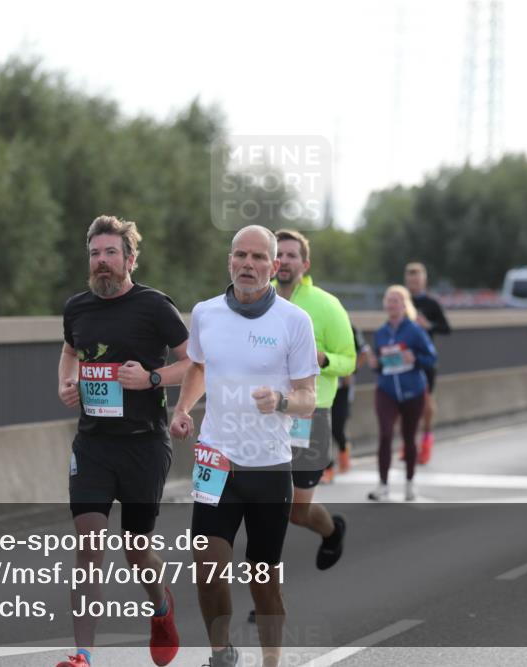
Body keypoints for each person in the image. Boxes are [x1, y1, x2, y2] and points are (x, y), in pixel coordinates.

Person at [170, 225, 319, 667]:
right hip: (217, 460)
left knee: (263, 578)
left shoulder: (295, 321)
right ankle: (222, 653)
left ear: (275, 267)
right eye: (241, 256)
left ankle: (272, 659)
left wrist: (282, 402)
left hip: (270, 467)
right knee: (207, 566)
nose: (248, 265)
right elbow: (198, 366)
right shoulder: (205, 313)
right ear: (229, 261)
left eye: (258, 258)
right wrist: (182, 409)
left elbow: (309, 400)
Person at [56, 216, 191, 667]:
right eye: (95, 254)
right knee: (89, 541)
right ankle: (82, 655)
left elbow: (194, 364)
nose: (102, 262)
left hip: (144, 444)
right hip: (94, 444)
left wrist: (151, 378)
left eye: (111, 253)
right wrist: (67, 382)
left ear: (130, 259)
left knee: (136, 546)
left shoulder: (154, 307)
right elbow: (70, 350)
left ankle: (161, 605)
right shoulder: (77, 309)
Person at [272, 229, 355, 568]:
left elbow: (349, 359)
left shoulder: (326, 305)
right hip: (269, 415)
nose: (284, 260)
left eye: (292, 255)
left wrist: (323, 360)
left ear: (304, 263)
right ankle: (267, 593)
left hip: (311, 416)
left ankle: (332, 530)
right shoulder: (259, 302)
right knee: (268, 507)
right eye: (279, 254)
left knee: (297, 511)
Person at [367, 285, 437, 502]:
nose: (391, 304)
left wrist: (414, 358)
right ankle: (383, 485)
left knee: (409, 438)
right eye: (388, 300)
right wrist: (375, 363)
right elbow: (381, 365)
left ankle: (409, 483)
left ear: (404, 305)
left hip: (412, 391)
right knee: (385, 435)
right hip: (386, 390)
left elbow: (431, 358)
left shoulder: (415, 331)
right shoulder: (380, 333)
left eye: (396, 300)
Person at [404, 263, 451, 464]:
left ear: (424, 280)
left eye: (417, 279)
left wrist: (428, 325)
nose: (414, 282)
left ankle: (426, 440)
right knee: (405, 404)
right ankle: (409, 445)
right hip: (404, 359)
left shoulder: (432, 303)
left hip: (425, 360)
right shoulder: (402, 301)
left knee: (425, 403)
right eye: (410, 279)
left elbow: (446, 328)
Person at [325, 325, 369, 481]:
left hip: (342, 387)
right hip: (321, 385)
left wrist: (351, 370)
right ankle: (327, 468)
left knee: (337, 426)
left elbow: (364, 353)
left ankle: (344, 449)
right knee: (323, 427)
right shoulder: (314, 323)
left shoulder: (350, 327)